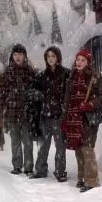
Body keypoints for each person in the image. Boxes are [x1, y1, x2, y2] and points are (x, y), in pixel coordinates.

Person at [61, 49, 102, 192]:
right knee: (78, 149)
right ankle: (82, 178)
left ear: (88, 62)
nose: (79, 62)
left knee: (87, 149)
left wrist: (90, 105)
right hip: (74, 118)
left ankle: (92, 181)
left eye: (83, 60)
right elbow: (67, 100)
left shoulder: (95, 77)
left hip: (88, 118)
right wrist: (64, 119)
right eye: (78, 60)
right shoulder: (71, 78)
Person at [30, 46, 70, 182]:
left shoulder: (66, 74)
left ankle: (60, 171)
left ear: (58, 57)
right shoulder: (42, 76)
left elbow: (69, 94)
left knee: (60, 146)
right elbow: (33, 92)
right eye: (48, 56)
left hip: (59, 116)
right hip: (45, 116)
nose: (51, 59)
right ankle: (40, 169)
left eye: (53, 56)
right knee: (43, 145)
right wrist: (37, 95)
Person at [0, 44, 37, 175]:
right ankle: (17, 166)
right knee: (15, 142)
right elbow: (0, 94)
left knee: (28, 141)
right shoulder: (6, 73)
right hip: (12, 113)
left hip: (27, 113)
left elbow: (36, 92)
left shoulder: (31, 72)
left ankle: (29, 167)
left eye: (20, 54)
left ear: (24, 56)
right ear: (12, 56)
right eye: (15, 54)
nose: (18, 57)